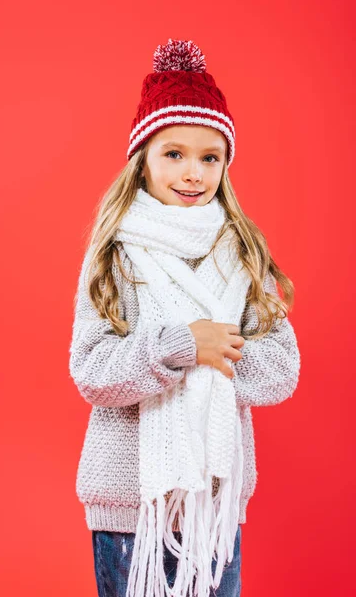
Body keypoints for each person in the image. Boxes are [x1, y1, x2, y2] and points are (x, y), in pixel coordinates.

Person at [69, 38, 301, 597]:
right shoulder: (115, 252)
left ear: (226, 163)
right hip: (130, 506)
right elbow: (92, 370)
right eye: (173, 153)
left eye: (209, 156)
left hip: (213, 507)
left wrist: (216, 352)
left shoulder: (243, 254)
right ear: (142, 159)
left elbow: (280, 368)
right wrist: (181, 347)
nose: (192, 172)